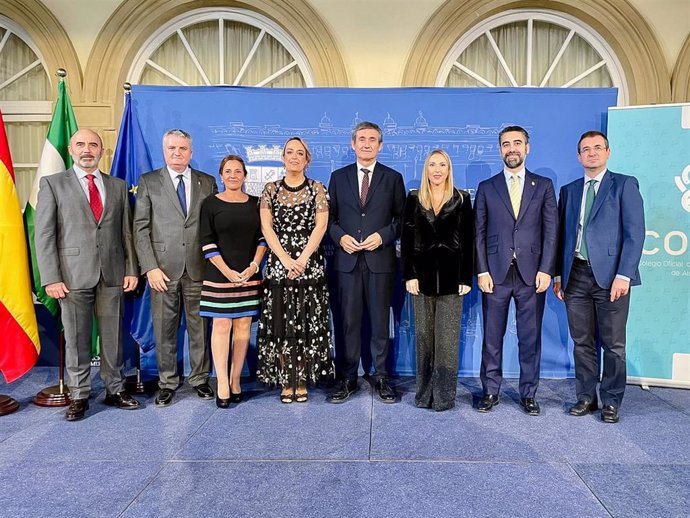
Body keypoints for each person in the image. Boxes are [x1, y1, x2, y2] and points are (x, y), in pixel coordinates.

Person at [35, 129, 140, 421]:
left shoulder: (117, 186)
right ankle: (79, 395)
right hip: (71, 276)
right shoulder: (53, 184)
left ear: (101, 150)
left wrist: (131, 269)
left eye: (93, 145)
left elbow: (126, 233)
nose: (87, 150)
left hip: (112, 273)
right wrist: (51, 277)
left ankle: (115, 389)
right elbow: (44, 235)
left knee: (112, 338)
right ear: (71, 150)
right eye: (81, 144)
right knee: (77, 339)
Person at [554, 130, 645, 424]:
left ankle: (611, 401)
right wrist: (558, 275)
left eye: (597, 148)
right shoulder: (568, 191)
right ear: (578, 156)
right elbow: (563, 238)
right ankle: (586, 396)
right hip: (576, 275)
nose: (591, 153)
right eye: (585, 149)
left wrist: (624, 275)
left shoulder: (624, 185)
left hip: (612, 278)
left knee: (614, 344)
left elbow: (635, 234)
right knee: (582, 342)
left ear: (607, 152)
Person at [474, 125, 557, 415]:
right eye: (506, 144)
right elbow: (479, 233)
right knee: (492, 337)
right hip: (495, 275)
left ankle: (528, 394)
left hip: (532, 275)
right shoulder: (486, 187)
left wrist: (547, 269)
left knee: (530, 338)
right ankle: (490, 391)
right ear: (500, 150)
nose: (512, 149)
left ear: (527, 148)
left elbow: (551, 232)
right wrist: (481, 270)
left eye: (517, 143)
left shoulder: (544, 185)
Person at [134, 129, 217, 406]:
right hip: (162, 271)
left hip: (198, 269)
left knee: (200, 328)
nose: (177, 153)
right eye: (172, 148)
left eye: (183, 148)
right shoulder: (148, 182)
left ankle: (200, 379)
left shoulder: (207, 182)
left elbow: (213, 226)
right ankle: (168, 381)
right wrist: (150, 268)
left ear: (191, 152)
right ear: (164, 150)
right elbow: (140, 228)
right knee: (164, 328)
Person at [328, 121, 406, 403]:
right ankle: (347, 377)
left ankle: (382, 376)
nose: (366, 144)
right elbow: (330, 220)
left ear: (380, 145)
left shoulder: (393, 178)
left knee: (380, 323)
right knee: (348, 322)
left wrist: (382, 236)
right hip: (346, 261)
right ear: (353, 143)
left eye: (372, 139)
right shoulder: (338, 177)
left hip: (380, 261)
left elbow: (401, 221)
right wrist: (340, 238)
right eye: (362, 139)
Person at [257, 137, 334, 403]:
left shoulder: (317, 189)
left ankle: (300, 378)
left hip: (309, 266)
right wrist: (286, 260)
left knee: (305, 324)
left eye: (299, 153)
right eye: (289, 152)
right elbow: (267, 228)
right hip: (279, 267)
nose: (294, 157)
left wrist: (301, 259)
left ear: (306, 159)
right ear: (283, 157)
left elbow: (321, 226)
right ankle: (285, 379)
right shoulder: (270, 190)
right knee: (281, 324)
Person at [401, 149, 474, 411]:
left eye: (442, 165)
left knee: (447, 341)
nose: (437, 169)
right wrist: (409, 274)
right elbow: (406, 241)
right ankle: (423, 395)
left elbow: (469, 240)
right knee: (423, 338)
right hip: (420, 280)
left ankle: (443, 398)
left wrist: (466, 277)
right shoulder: (413, 199)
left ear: (449, 169)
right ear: (426, 169)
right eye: (432, 164)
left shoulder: (462, 199)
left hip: (453, 281)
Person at [199, 155, 267, 408]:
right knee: (221, 327)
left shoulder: (256, 203)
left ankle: (236, 380)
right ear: (221, 175)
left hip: (249, 276)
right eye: (228, 171)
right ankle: (222, 382)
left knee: (242, 327)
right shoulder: (210, 204)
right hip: (219, 276)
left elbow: (263, 238)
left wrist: (253, 266)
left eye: (238, 171)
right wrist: (227, 271)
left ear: (245, 175)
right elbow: (206, 240)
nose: (233, 175)